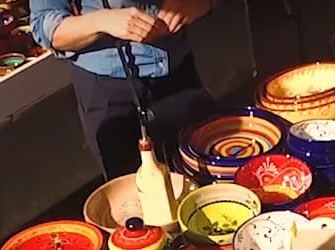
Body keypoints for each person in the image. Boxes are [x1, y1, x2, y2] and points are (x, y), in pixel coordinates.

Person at [30, 0, 215, 180]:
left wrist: (201, 3)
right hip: (108, 92)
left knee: (203, 185)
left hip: (179, 73)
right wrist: (102, 21)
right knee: (134, 199)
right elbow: (46, 26)